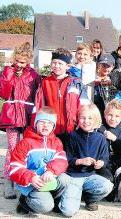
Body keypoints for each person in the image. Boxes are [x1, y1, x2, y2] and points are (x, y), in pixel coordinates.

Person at [9, 107, 69, 215]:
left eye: (49, 123)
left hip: (48, 179)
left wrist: (51, 170)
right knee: (46, 206)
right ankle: (25, 202)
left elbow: (62, 160)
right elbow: (14, 167)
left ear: (53, 126)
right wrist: (31, 177)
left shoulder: (56, 142)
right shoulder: (25, 143)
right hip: (32, 182)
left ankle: (52, 199)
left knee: (65, 179)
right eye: (42, 122)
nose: (45, 125)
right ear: (35, 124)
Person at [0, 42, 40, 199]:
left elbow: (38, 95)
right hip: (11, 116)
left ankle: (25, 178)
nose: (18, 64)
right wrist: (9, 75)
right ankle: (8, 180)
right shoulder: (7, 72)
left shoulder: (34, 75)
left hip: (28, 116)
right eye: (16, 60)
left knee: (28, 149)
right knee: (12, 149)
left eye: (22, 62)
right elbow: (3, 93)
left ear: (28, 60)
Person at [60, 104, 113, 216]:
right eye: (83, 117)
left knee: (107, 186)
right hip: (73, 177)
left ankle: (89, 198)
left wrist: (101, 163)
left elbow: (105, 157)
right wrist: (80, 161)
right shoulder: (72, 136)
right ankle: (68, 196)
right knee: (67, 211)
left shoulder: (100, 138)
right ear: (78, 119)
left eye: (90, 118)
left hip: (90, 176)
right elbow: (67, 159)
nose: (86, 121)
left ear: (96, 120)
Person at [34, 48, 89, 145]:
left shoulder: (75, 82)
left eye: (60, 63)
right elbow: (40, 105)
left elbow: (83, 105)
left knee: (69, 157)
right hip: (51, 128)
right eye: (54, 63)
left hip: (71, 128)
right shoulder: (45, 82)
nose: (56, 66)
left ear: (67, 66)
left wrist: (81, 122)